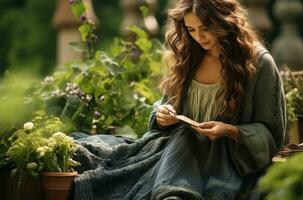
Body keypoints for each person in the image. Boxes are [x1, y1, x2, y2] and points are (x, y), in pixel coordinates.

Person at [73, 0, 286, 199]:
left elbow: (272, 133)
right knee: (91, 155)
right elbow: (167, 102)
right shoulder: (190, 55)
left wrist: (230, 130)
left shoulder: (258, 63)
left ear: (224, 20)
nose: (199, 37)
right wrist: (162, 113)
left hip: (225, 163)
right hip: (175, 154)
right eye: (191, 30)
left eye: (204, 28)